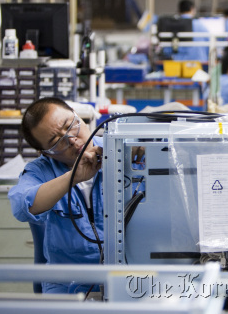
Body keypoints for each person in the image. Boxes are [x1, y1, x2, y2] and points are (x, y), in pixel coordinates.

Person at [8, 98, 144, 293]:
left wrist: (147, 150)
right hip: (68, 283)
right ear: (45, 153)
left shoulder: (122, 146)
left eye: (70, 125)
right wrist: (72, 178)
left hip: (129, 276)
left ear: (77, 115)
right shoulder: (41, 171)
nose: (71, 140)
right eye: (56, 142)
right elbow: (21, 206)